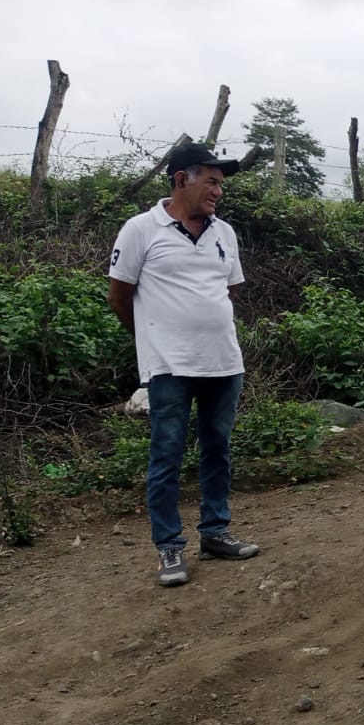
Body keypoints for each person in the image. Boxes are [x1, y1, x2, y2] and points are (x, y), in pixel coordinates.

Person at [107, 143, 260, 587]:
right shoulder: (140, 229)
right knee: (167, 455)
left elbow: (228, 291)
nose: (218, 191)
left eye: (220, 184)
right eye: (211, 181)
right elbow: (119, 295)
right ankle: (169, 548)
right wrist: (154, 339)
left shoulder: (224, 233)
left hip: (224, 362)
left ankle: (215, 533)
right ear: (181, 180)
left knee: (218, 449)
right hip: (169, 367)